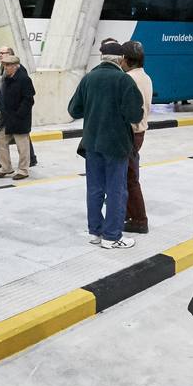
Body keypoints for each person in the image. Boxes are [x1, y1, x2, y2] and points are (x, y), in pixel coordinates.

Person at [68, 39, 144, 249]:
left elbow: (74, 110)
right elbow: (135, 114)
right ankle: (112, 236)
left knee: (94, 188)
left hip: (92, 144)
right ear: (120, 59)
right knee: (116, 190)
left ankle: (95, 231)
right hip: (116, 145)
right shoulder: (124, 80)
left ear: (101, 57)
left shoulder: (88, 79)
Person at [0, 46, 36, 181]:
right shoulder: (6, 78)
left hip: (19, 118)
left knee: (22, 145)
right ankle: (6, 168)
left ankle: (23, 170)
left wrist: (19, 114)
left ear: (15, 66)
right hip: (6, 117)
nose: (6, 68)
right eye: (5, 65)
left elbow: (29, 100)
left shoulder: (24, 79)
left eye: (8, 65)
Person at [122, 40, 152, 234]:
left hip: (130, 134)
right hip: (139, 133)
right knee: (128, 176)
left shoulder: (128, 79)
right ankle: (127, 214)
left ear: (126, 59)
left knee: (130, 179)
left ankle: (140, 220)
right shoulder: (146, 77)